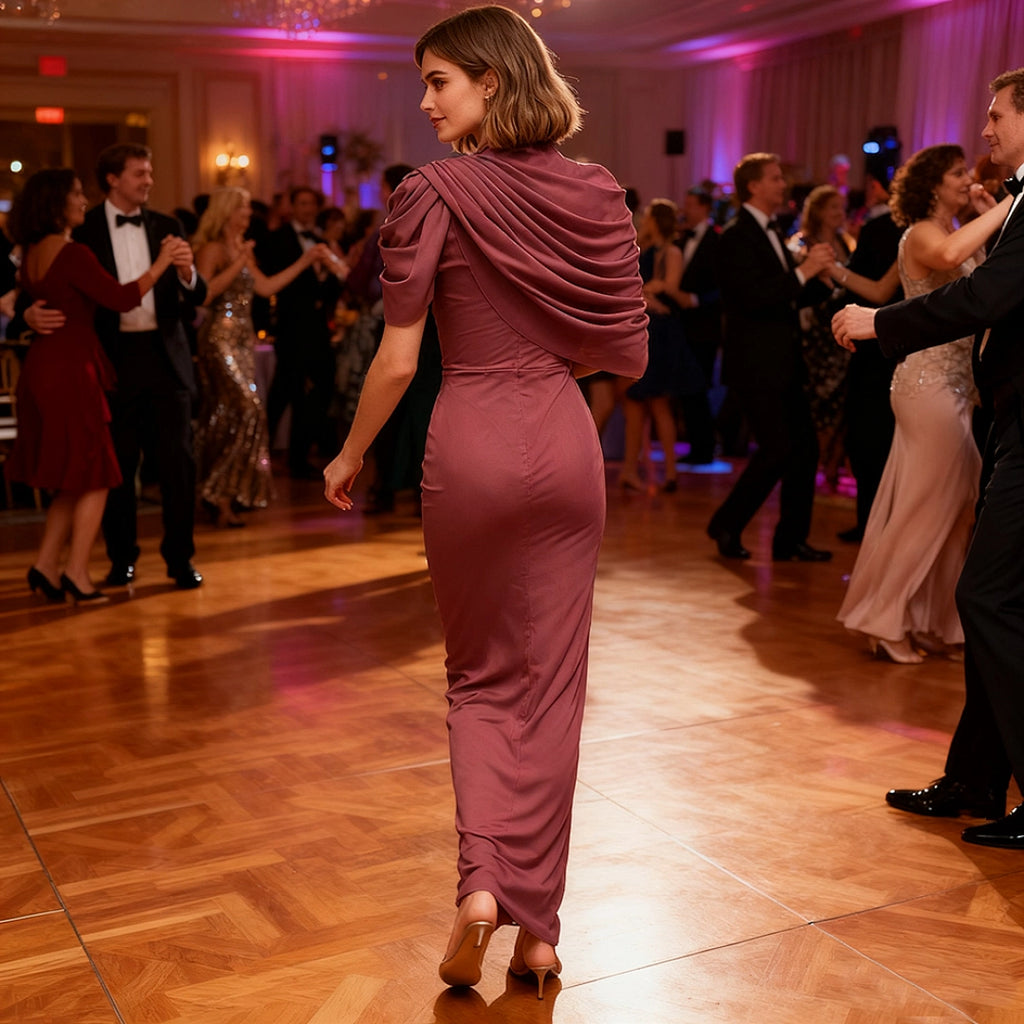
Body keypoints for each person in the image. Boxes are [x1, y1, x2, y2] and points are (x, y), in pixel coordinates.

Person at [322, 5, 647, 994]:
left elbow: (398, 356)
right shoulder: (596, 190)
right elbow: (623, 353)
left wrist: (345, 457)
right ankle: (538, 932)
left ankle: (480, 888)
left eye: (439, 83)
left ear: (494, 81)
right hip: (562, 440)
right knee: (551, 692)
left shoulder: (431, 193)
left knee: (480, 682)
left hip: (467, 445)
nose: (425, 103)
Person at [832, 67, 1024, 849]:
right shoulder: (1011, 200)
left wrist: (881, 325)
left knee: (987, 596)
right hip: (1000, 414)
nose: (985, 131)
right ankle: (975, 778)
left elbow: (982, 299)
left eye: (996, 115)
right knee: (994, 599)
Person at [836, 145, 1012, 663]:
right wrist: (1010, 203)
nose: (966, 180)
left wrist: (989, 212)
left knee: (957, 510)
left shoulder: (956, 228)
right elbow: (952, 259)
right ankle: (884, 618)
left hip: (957, 389)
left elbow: (990, 282)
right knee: (925, 509)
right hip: (929, 387)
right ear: (934, 185)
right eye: (957, 174)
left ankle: (939, 623)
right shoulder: (921, 233)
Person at [7, 169, 187, 602]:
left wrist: (26, 313)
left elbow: (24, 299)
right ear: (55, 204)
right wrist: (162, 263)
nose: (83, 200)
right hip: (72, 372)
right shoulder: (72, 253)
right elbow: (123, 299)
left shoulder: (32, 251)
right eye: (74, 194)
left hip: (45, 367)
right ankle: (77, 573)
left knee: (73, 478)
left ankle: (45, 566)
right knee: (98, 475)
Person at [70, 143, 206, 590]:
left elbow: (196, 292)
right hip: (114, 362)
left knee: (178, 468)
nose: (148, 181)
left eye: (149, 173)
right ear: (112, 179)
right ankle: (121, 559)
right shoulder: (85, 230)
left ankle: (180, 559)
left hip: (166, 360)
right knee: (119, 469)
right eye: (138, 174)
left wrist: (187, 274)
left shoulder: (168, 225)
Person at [706, 153, 836, 561]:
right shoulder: (735, 234)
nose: (783, 185)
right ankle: (726, 523)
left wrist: (826, 283)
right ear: (754, 187)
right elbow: (752, 298)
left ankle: (789, 540)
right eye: (776, 179)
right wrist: (803, 273)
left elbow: (786, 295)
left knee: (805, 449)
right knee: (778, 449)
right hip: (755, 364)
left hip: (783, 361)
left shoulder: (770, 230)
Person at [192, 187, 336, 527]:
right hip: (218, 338)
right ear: (227, 212)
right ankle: (215, 490)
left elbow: (266, 287)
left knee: (228, 414)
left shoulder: (244, 249)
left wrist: (305, 261)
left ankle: (224, 494)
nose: (248, 215)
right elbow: (206, 293)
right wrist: (239, 263)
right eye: (243, 209)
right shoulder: (212, 249)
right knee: (248, 407)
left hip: (242, 339)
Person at [259, 186, 342, 479]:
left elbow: (333, 288)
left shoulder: (322, 241)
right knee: (285, 391)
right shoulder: (275, 240)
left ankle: (300, 454)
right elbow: (269, 283)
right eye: (302, 203)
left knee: (321, 388)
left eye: (311, 204)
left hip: (318, 328)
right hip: (291, 328)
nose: (307, 209)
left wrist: (329, 271)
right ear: (292, 207)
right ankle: (261, 452)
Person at [619, 199, 685, 493]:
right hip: (642, 327)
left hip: (658, 331)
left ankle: (670, 472)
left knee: (658, 403)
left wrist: (647, 292)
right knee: (634, 403)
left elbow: (669, 285)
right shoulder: (642, 250)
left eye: (648, 217)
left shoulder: (670, 251)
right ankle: (630, 471)